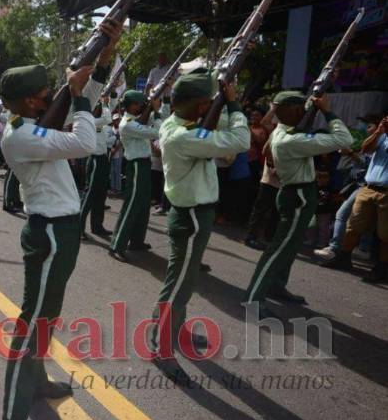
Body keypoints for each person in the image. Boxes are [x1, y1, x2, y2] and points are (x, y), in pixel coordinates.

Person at [0, 18, 120, 420]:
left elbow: (76, 100)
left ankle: (37, 378)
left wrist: (101, 56)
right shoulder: (23, 135)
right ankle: (13, 418)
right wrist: (81, 94)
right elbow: (86, 141)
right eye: (46, 93)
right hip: (49, 232)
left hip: (61, 229)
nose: (52, 94)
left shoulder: (34, 123)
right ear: (31, 101)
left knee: (47, 317)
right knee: (32, 323)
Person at [149, 69, 249, 370]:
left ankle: (175, 328)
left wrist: (218, 100)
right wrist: (232, 105)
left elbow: (211, 127)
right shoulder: (184, 135)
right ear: (195, 105)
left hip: (192, 214)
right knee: (179, 283)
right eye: (205, 103)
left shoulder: (175, 122)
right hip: (191, 216)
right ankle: (159, 343)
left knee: (185, 280)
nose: (208, 108)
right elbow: (241, 139)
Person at [244, 92, 352, 318]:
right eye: (301, 108)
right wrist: (327, 111)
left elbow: (266, 152)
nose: (304, 111)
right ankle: (252, 299)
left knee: (290, 247)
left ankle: (276, 285)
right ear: (293, 111)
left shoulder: (282, 131)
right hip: (298, 194)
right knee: (279, 249)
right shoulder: (292, 139)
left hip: (297, 192)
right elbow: (345, 140)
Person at [322, 115, 388, 283]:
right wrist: (379, 132)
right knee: (353, 226)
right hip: (368, 188)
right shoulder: (383, 136)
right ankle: (343, 258)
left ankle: (381, 269)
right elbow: (365, 149)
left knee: (385, 235)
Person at [109, 90, 163, 260]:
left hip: (145, 165)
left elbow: (158, 123)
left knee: (143, 205)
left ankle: (137, 241)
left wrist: (155, 109)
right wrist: (155, 111)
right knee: (132, 205)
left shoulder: (136, 121)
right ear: (131, 105)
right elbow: (158, 132)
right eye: (139, 104)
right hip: (137, 165)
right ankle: (117, 245)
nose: (141, 106)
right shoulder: (127, 124)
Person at [79, 96, 113, 238]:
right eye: (97, 106)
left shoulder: (101, 124)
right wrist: (105, 103)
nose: (99, 108)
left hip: (103, 160)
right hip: (95, 160)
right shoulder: (91, 121)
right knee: (90, 194)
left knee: (101, 196)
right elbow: (108, 118)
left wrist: (109, 100)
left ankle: (97, 226)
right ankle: (79, 228)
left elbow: (107, 138)